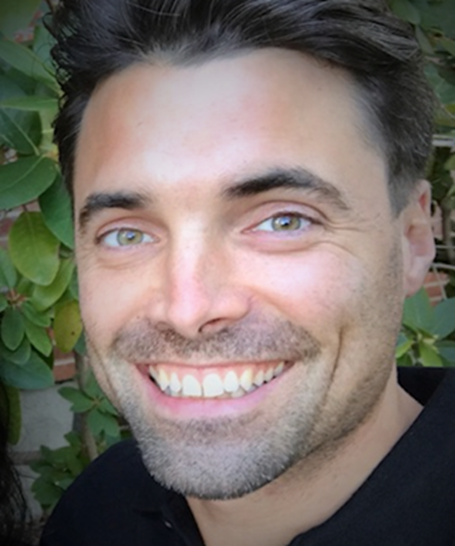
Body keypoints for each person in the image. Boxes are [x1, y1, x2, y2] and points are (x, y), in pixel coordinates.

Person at [40, 1, 455, 545]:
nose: (187, 309)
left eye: (284, 221)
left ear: (412, 239)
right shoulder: (95, 511)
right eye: (127, 234)